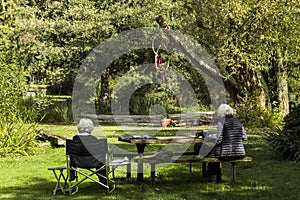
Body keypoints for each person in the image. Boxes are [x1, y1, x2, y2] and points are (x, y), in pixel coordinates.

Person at [204, 104, 247, 183]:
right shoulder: (238, 121)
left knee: (211, 153)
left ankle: (213, 178)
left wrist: (212, 138)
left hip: (226, 154)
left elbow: (219, 140)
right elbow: (244, 137)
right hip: (240, 153)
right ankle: (211, 175)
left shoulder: (221, 123)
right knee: (213, 153)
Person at [70, 118, 107, 184]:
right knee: (102, 160)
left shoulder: (75, 139)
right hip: (94, 162)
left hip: (77, 162)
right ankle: (103, 183)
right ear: (91, 128)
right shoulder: (93, 139)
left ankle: (72, 177)